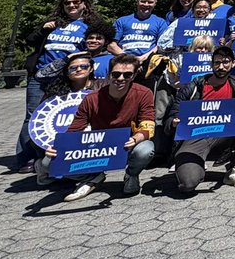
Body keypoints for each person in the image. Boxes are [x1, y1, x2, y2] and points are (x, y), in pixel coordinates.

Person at [40, 53, 157, 202]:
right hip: (98, 146)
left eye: (127, 75)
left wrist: (136, 138)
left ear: (133, 76)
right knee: (48, 163)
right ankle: (92, 177)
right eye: (116, 74)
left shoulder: (144, 93)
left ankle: (131, 175)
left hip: (127, 143)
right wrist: (59, 147)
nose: (121, 78)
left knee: (146, 149)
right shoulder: (91, 98)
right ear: (109, 75)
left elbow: (148, 123)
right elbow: (75, 129)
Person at [17, 0, 99, 171]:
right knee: (33, 115)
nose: (72, 5)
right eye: (68, 3)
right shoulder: (54, 23)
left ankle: (59, 153)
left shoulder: (89, 25)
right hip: (40, 75)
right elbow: (30, 40)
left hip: (66, 77)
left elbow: (98, 44)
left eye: (76, 2)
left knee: (63, 115)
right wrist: (43, 29)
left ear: (85, 4)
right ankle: (26, 158)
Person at [165, 45, 235, 192]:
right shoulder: (195, 85)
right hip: (196, 138)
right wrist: (173, 122)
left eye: (225, 62)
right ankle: (193, 167)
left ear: (233, 64)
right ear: (211, 64)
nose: (221, 67)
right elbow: (173, 113)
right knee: (187, 184)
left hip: (224, 136)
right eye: (217, 63)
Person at [112, 0, 169, 72]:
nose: (146, 4)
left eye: (150, 2)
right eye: (143, 1)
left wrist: (142, 58)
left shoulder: (161, 22)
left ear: (155, 4)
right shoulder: (122, 21)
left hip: (148, 65)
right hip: (122, 62)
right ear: (138, 2)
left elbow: (161, 45)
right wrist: (130, 60)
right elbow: (111, 45)